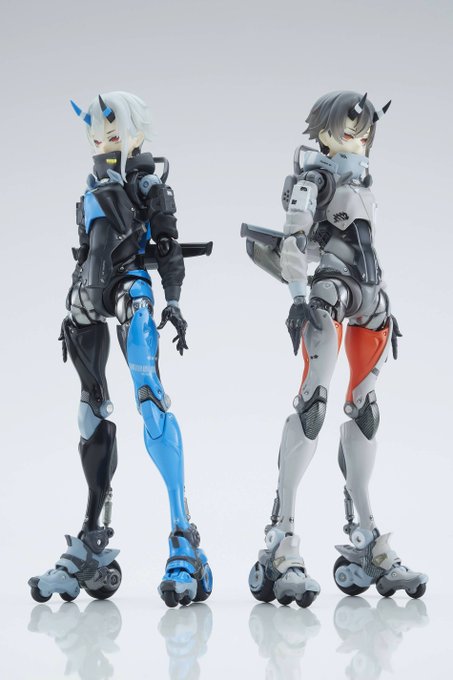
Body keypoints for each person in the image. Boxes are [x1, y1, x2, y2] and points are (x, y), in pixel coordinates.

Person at [242, 91, 427, 607]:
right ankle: (281, 538)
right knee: (313, 405)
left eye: (364, 131)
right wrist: (298, 297)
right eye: (348, 128)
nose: (357, 136)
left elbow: (367, 246)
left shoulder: (363, 182)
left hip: (371, 299)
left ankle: (366, 535)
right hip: (330, 293)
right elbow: (294, 239)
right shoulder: (314, 180)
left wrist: (384, 300)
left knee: (365, 411)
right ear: (323, 130)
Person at [29, 91, 212, 608]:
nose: (102, 137)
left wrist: (173, 303)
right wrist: (74, 302)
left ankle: (183, 534)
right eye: (94, 129)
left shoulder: (149, 186)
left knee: (150, 399)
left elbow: (168, 249)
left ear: (135, 131)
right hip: (87, 298)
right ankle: (92, 534)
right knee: (90, 409)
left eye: (111, 127)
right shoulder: (89, 188)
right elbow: (87, 251)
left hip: (132, 289)